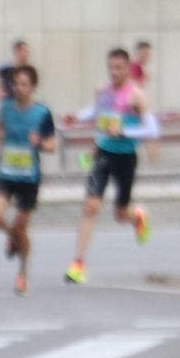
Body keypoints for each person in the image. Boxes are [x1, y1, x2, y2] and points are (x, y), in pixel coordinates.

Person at [63, 49, 149, 284]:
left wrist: (124, 131)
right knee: (91, 206)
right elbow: (96, 110)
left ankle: (137, 216)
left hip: (126, 156)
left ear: (128, 68)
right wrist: (78, 117)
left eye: (119, 67)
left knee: (120, 214)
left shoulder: (136, 96)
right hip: (103, 153)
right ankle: (78, 264)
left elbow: (151, 129)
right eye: (111, 67)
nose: (114, 72)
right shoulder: (103, 91)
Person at [0, 64, 54, 295]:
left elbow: (52, 144)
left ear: (33, 87)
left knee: (22, 228)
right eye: (17, 84)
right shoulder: (6, 108)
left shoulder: (41, 113)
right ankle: (12, 236)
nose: (20, 88)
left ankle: (22, 274)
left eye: (25, 84)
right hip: (6, 174)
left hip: (29, 178)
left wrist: (39, 143)